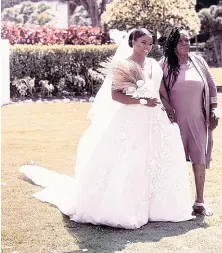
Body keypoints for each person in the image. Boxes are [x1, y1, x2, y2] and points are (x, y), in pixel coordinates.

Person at [20, 28, 194, 229]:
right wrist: (142, 100)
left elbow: (161, 88)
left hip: (156, 118)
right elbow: (116, 96)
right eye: (143, 42)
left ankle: (156, 208)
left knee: (155, 159)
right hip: (132, 117)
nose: (147, 47)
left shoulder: (154, 64)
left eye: (150, 43)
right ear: (133, 42)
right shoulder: (124, 65)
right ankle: (127, 206)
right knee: (131, 159)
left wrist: (168, 105)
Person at [160, 27, 218, 216]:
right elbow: (157, 90)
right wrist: (167, 106)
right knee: (173, 159)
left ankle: (200, 201)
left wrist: (214, 108)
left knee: (199, 158)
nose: (186, 44)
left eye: (188, 40)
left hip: (198, 119)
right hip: (173, 121)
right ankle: (174, 202)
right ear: (173, 44)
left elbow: (211, 85)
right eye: (181, 41)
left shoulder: (198, 61)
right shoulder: (164, 64)